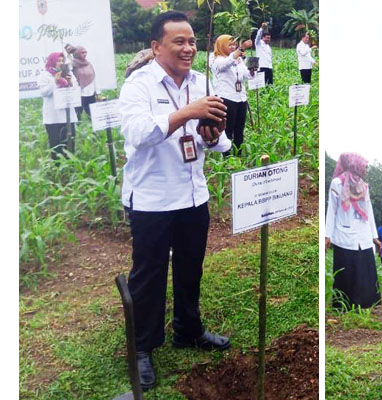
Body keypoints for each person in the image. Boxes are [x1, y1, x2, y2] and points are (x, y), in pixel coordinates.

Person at [119, 11, 232, 391]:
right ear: (156, 47)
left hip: (192, 194)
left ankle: (189, 329)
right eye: (178, 42)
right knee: (148, 276)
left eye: (192, 41)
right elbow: (137, 133)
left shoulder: (202, 81)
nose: (188, 48)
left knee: (190, 268)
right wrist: (188, 112)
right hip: (152, 198)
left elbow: (219, 140)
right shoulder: (139, 85)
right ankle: (142, 349)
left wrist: (213, 136)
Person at [325, 153, 381, 309]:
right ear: (355, 165)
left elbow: (368, 210)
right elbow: (332, 209)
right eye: (364, 166)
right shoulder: (338, 183)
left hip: (363, 234)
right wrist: (327, 235)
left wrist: (374, 237)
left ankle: (364, 303)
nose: (366, 169)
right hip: (344, 234)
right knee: (346, 271)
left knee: (363, 270)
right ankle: (344, 305)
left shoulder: (363, 186)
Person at [211, 34, 255, 157]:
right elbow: (226, 64)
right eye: (229, 44)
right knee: (227, 130)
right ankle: (228, 157)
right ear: (221, 45)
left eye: (234, 44)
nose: (232, 47)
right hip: (227, 99)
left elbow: (246, 75)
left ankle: (238, 155)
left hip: (241, 98)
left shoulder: (239, 60)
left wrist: (252, 71)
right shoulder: (217, 60)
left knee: (239, 130)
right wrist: (240, 49)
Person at [37, 52, 78, 159]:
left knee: (70, 143)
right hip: (53, 117)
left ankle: (70, 167)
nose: (60, 63)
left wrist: (70, 83)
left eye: (62, 61)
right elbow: (44, 93)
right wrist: (55, 81)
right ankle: (57, 169)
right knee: (56, 145)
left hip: (68, 115)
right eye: (58, 61)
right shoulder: (44, 75)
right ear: (52, 61)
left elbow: (76, 91)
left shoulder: (69, 74)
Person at [71, 46, 100, 118]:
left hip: (90, 92)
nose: (84, 54)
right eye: (82, 52)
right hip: (79, 93)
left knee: (92, 113)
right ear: (77, 54)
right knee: (78, 113)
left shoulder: (89, 64)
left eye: (85, 52)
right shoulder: (73, 65)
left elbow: (94, 77)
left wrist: (97, 92)